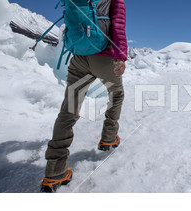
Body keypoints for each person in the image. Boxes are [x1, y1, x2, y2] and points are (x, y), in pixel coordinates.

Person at [40, 0, 128, 192]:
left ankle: (55, 171)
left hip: (79, 57)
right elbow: (118, 26)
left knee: (69, 108)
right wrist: (120, 56)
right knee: (117, 94)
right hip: (104, 57)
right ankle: (109, 137)